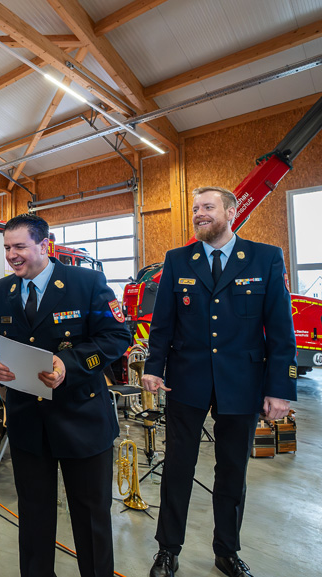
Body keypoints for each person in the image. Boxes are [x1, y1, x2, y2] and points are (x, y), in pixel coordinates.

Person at [143, 186, 296, 577]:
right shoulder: (178, 260)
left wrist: (280, 389)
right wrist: (154, 367)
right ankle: (167, 550)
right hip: (186, 382)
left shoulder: (265, 257)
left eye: (207, 207)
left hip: (242, 383)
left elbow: (281, 329)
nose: (198, 213)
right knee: (177, 468)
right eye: (195, 208)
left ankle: (227, 551)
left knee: (232, 471)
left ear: (231, 211)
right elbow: (163, 323)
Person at [0, 213, 131, 577]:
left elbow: (117, 336)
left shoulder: (86, 282)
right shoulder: (2, 291)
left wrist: (69, 365)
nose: (12, 255)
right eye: (7, 248)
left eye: (20, 246)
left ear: (44, 245)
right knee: (34, 518)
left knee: (91, 519)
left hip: (82, 420)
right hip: (28, 424)